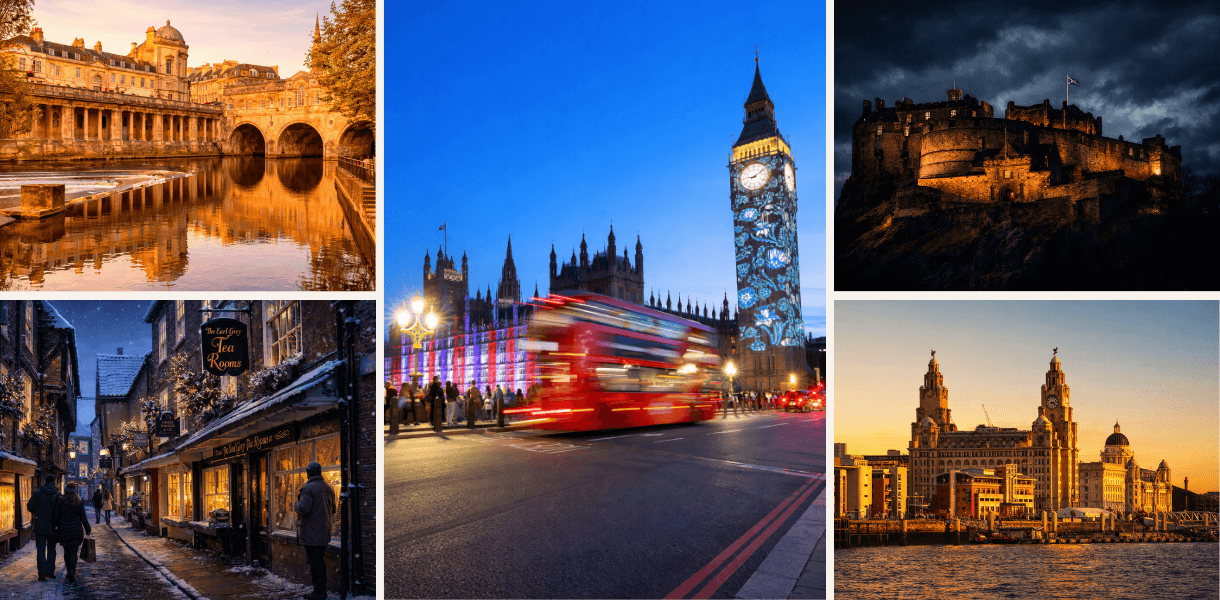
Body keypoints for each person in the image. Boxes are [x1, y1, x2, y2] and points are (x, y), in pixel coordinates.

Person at [295, 461, 337, 600]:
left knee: (315, 564)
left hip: (311, 533)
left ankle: (319, 592)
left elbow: (303, 509)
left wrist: (296, 504)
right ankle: (321, 590)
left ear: (309, 473)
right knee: (320, 562)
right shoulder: (329, 487)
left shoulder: (308, 488)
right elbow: (334, 510)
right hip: (323, 532)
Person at [54, 482, 91, 584]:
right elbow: (83, 517)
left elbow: (57, 516)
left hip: (64, 530)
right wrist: (87, 528)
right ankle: (72, 571)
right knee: (74, 551)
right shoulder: (79, 502)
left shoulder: (61, 501)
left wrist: (56, 527)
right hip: (76, 530)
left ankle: (68, 570)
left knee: (67, 551)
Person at [27, 474, 61, 581]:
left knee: (40, 550)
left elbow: (29, 506)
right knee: (51, 549)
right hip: (53, 526)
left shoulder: (37, 494)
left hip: (40, 526)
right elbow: (60, 512)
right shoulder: (58, 495)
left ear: (44, 481)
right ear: (54, 482)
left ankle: (41, 574)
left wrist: (37, 513)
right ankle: (50, 572)